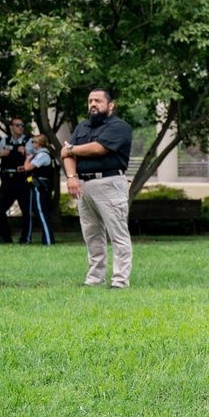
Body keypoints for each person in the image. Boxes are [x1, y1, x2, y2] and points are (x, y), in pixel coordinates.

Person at [61, 89, 134, 288]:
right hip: (83, 185)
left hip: (110, 183)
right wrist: (71, 177)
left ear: (110, 105)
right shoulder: (82, 127)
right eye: (90, 100)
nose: (93, 104)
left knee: (117, 234)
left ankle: (120, 281)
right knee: (92, 234)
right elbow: (66, 156)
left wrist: (70, 148)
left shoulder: (120, 127)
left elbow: (98, 148)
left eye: (98, 101)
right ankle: (94, 279)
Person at [0, 117, 31, 244]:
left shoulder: (28, 141)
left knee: (26, 211)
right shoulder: (5, 140)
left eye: (22, 125)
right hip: (7, 180)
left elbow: (33, 155)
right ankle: (5, 237)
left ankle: (25, 238)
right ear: (11, 127)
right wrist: (8, 151)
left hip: (22, 180)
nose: (21, 127)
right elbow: (1, 153)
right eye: (18, 125)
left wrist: (25, 151)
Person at [21, 135, 55, 246]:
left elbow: (27, 167)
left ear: (39, 144)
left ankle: (48, 241)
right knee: (42, 213)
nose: (32, 144)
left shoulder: (42, 155)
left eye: (34, 142)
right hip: (43, 186)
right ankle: (47, 239)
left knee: (41, 213)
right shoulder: (45, 154)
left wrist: (27, 158)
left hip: (39, 187)